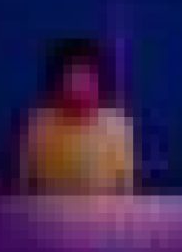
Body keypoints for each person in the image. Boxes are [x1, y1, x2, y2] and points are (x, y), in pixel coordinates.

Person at [19, 38, 135, 194]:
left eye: (85, 77)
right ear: (58, 82)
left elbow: (125, 191)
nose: (78, 87)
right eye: (71, 77)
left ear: (98, 82)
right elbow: (24, 188)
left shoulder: (117, 126)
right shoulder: (38, 124)